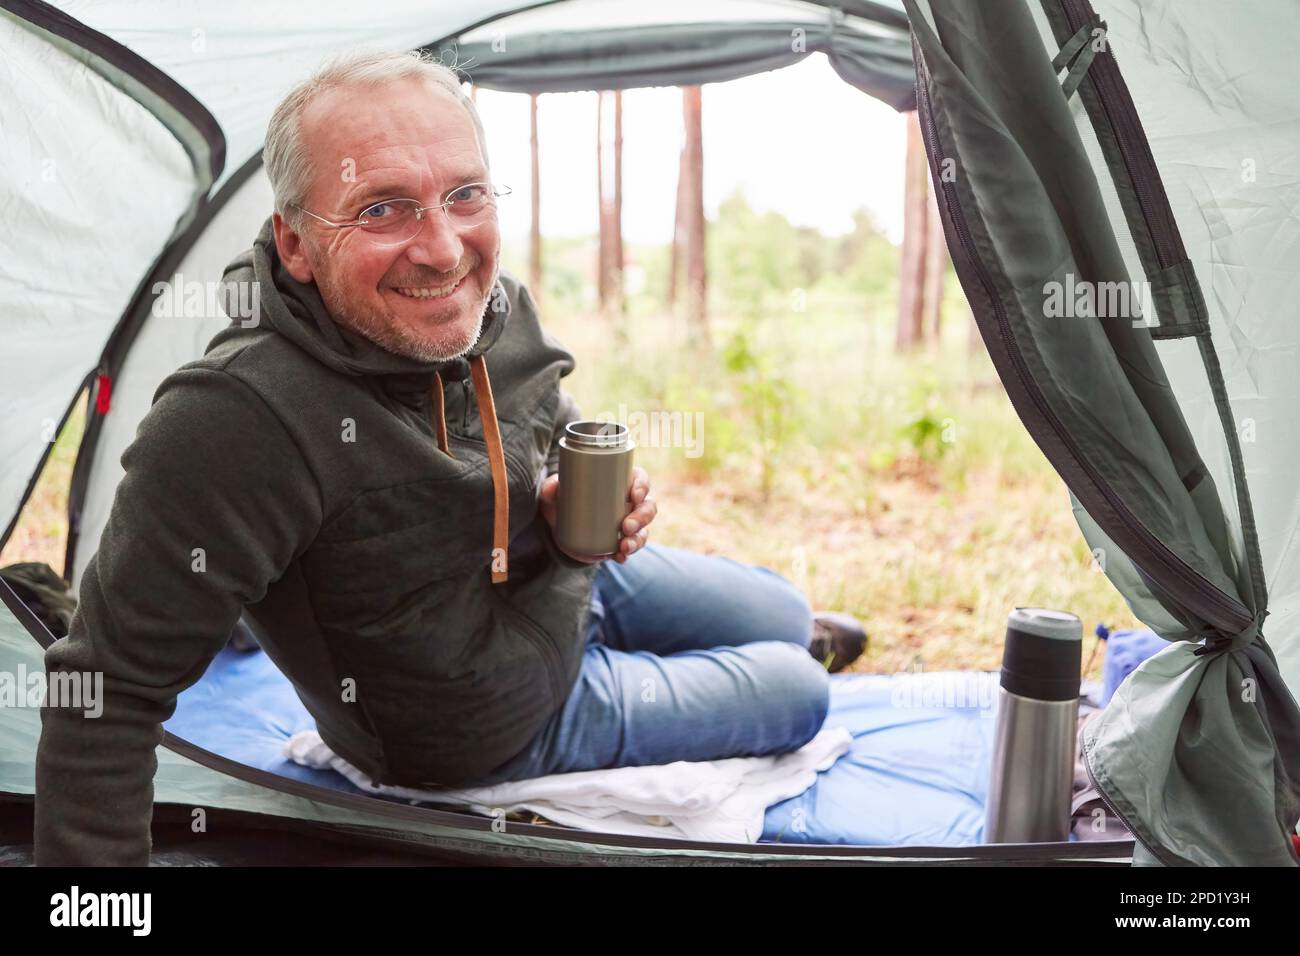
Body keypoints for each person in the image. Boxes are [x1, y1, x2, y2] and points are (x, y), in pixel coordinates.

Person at [33, 49, 866, 866]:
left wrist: (574, 493)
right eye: (381, 210)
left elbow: (548, 412)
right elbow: (103, 696)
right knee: (800, 690)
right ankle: (664, 678)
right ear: (294, 244)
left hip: (561, 576)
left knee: (784, 612)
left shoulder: (488, 304)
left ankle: (664, 657)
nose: (442, 250)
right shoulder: (238, 421)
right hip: (484, 722)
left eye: (463, 194)